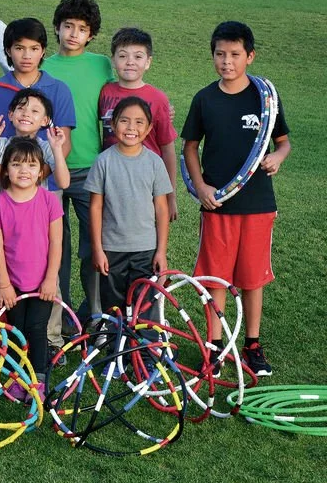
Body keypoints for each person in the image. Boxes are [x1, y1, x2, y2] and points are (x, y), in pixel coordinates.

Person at [181, 21, 291, 376]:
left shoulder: (264, 100)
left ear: (250, 57)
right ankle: (214, 346)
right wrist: (200, 187)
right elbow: (190, 148)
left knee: (251, 279)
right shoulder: (205, 99)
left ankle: (252, 345)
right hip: (218, 205)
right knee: (215, 279)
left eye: (234, 55)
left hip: (258, 205)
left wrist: (278, 156)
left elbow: (283, 142)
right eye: (220, 54)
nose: (226, 62)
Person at [0, 17, 76, 320]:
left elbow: (62, 145)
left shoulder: (58, 89)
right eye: (19, 48)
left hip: (44, 197)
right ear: (8, 51)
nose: (26, 55)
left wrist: (34, 180)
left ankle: (49, 331)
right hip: (2, 196)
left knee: (50, 256)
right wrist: (14, 180)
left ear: (43, 51)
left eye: (34, 48)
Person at [40, 0, 114, 323]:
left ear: (91, 34)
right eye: (68, 26)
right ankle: (62, 314)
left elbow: (118, 102)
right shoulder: (43, 64)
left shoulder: (101, 65)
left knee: (94, 246)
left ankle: (94, 314)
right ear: (56, 28)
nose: (73, 34)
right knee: (56, 248)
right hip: (48, 169)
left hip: (91, 169)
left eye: (82, 29)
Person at [0, 138, 64, 402]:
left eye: (31, 165)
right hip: (13, 284)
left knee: (37, 328)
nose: (24, 170)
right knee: (17, 329)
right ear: (5, 169)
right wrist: (5, 284)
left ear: (41, 171)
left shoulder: (50, 201)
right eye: (16, 163)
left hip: (42, 281)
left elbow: (56, 241)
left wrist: (51, 278)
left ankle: (38, 380)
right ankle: (18, 376)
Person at [87, 97, 171, 325]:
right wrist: (97, 249)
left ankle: (145, 354)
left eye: (139, 122)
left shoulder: (155, 162)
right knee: (113, 306)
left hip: (146, 249)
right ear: (113, 125)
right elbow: (95, 207)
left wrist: (161, 251)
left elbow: (162, 209)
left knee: (145, 304)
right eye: (124, 121)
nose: (131, 128)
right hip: (112, 249)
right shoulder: (103, 161)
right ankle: (117, 350)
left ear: (149, 128)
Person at [98, 28, 179, 221]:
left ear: (148, 62)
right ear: (113, 60)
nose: (130, 62)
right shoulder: (104, 92)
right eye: (123, 56)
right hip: (112, 175)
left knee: (146, 229)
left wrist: (171, 194)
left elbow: (167, 148)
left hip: (146, 178)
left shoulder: (158, 98)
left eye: (138, 56)